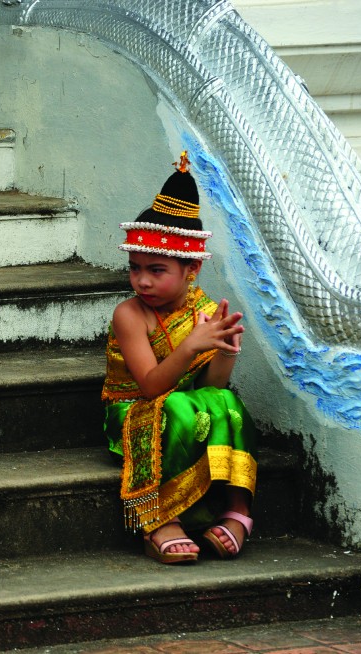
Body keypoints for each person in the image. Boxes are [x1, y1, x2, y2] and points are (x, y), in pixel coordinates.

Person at [102, 152, 257, 564]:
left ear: (191, 270)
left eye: (156, 269)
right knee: (176, 405)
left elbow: (211, 389)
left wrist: (225, 352)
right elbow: (151, 386)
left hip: (185, 406)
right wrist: (191, 346)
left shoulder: (201, 308)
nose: (142, 280)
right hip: (134, 410)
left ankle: (238, 512)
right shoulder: (130, 314)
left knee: (226, 403)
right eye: (135, 268)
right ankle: (159, 519)